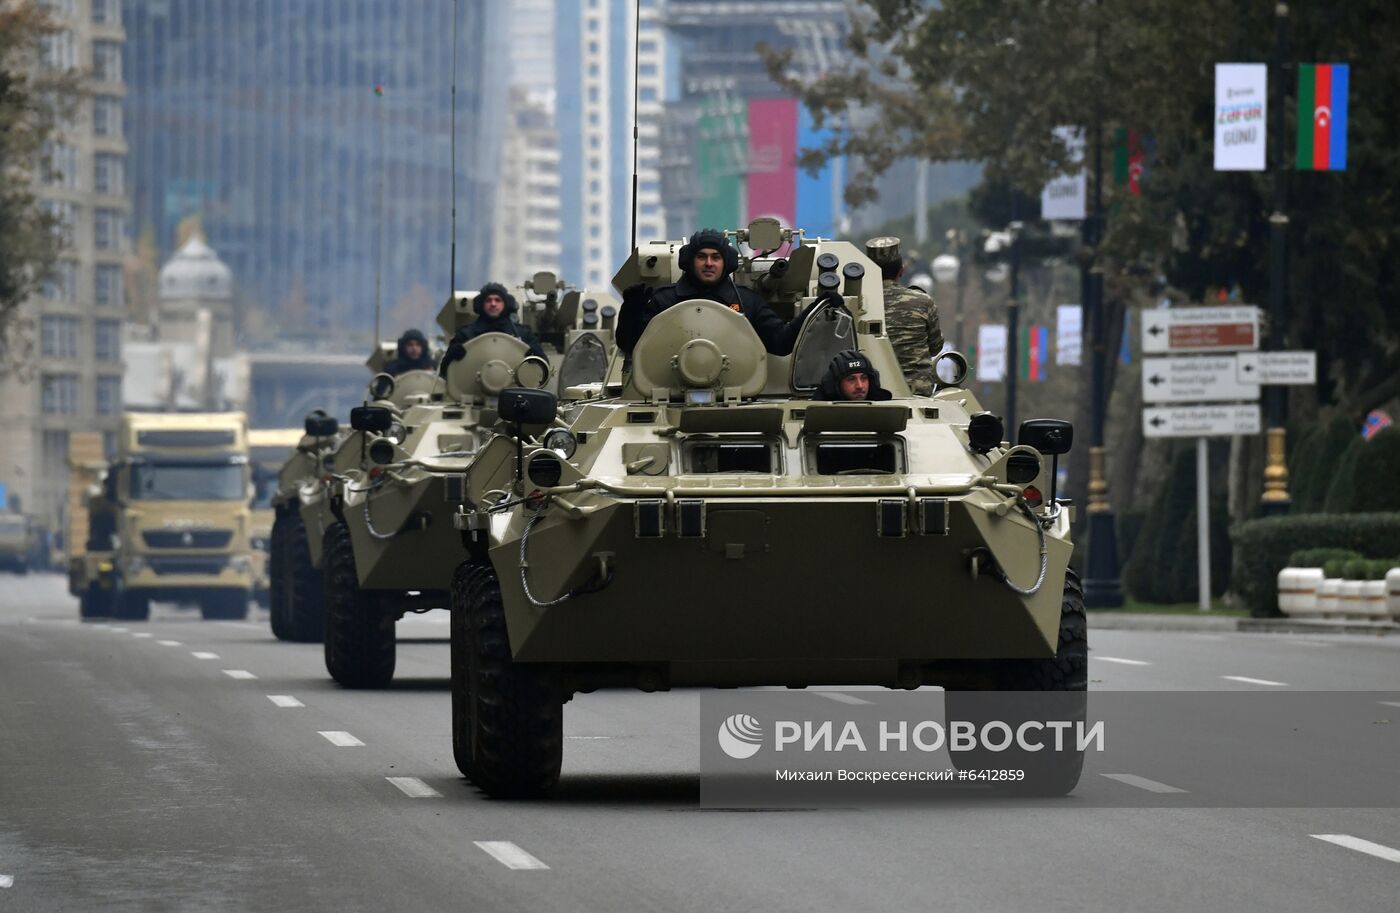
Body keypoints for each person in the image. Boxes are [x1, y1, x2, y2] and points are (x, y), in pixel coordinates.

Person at [618, 228, 808, 355]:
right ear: (689, 261)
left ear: (727, 262)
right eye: (701, 257)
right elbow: (630, 346)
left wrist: (812, 309)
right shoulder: (665, 301)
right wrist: (630, 313)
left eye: (716, 257)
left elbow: (781, 343)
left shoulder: (747, 302)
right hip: (670, 394)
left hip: (738, 396)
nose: (709, 263)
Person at [866, 236, 944, 396]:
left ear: (867, 272)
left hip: (868, 393)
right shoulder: (922, 302)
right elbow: (935, 347)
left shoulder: (855, 303)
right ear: (901, 271)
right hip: (917, 393)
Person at [439, 282, 546, 374]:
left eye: (498, 300)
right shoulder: (465, 335)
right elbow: (445, 370)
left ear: (506, 304)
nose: (493, 304)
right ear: (481, 304)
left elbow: (544, 366)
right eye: (488, 300)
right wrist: (453, 356)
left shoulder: (523, 334)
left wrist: (533, 355)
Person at [814, 349, 893, 402]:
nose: (859, 386)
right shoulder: (816, 416)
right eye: (851, 379)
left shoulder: (886, 410)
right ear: (836, 384)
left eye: (864, 378)